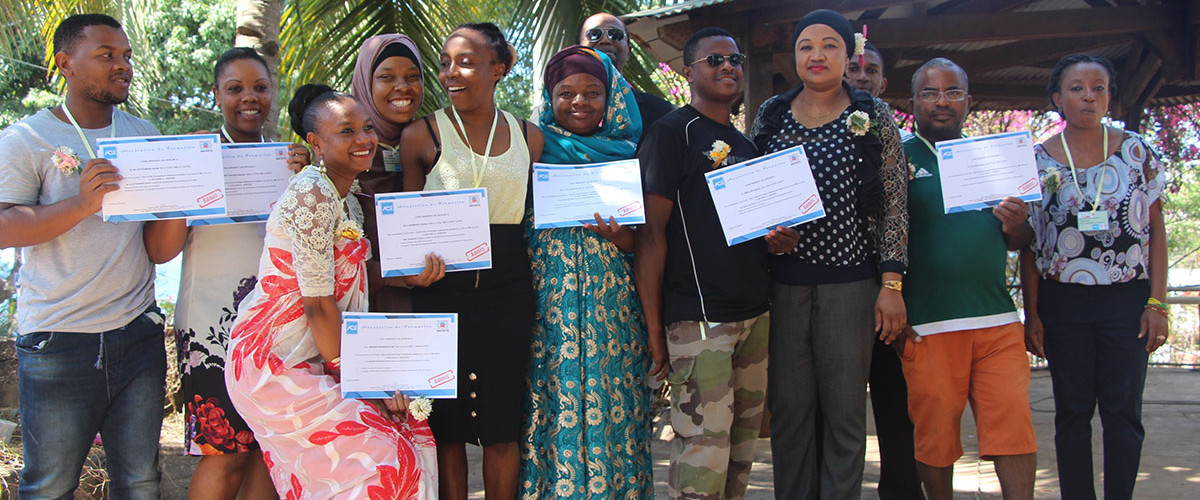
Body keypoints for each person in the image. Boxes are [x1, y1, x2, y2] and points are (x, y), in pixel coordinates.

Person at [224, 83, 445, 499]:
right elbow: (317, 305)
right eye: (346, 131)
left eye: (366, 128)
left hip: (316, 354)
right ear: (315, 142)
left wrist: (408, 276)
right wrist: (360, 381)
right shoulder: (312, 194)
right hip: (276, 363)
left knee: (406, 436)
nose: (363, 139)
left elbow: (349, 279)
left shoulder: (347, 198)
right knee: (381, 459)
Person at [0, 14, 168, 499]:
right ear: (65, 63)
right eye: (106, 55)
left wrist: (187, 198)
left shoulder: (144, 133)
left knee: (140, 481)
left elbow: (159, 249)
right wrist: (80, 204)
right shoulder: (27, 139)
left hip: (137, 333)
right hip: (58, 339)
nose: (123, 66)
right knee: (50, 486)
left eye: (126, 56)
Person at [749, 9, 908, 500]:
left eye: (829, 45)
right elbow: (753, 194)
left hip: (851, 285)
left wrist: (891, 284)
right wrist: (767, 232)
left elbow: (895, 203)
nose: (816, 55)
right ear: (794, 56)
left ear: (848, 55)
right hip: (785, 287)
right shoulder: (771, 114)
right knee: (791, 410)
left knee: (844, 412)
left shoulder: (873, 115)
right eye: (805, 46)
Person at [636, 27, 794, 500]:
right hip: (699, 323)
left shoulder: (745, 146)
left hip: (754, 319)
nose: (728, 66)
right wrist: (654, 330)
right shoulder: (670, 133)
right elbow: (650, 236)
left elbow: (752, 233)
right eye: (714, 59)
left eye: (735, 59)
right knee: (701, 460)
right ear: (688, 72)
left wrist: (780, 239)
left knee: (739, 459)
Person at [147, 47, 308, 500]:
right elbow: (160, 251)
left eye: (260, 87)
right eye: (235, 88)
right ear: (217, 94)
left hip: (279, 325)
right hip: (212, 327)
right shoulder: (193, 155)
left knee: (271, 451)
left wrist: (309, 179)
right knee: (225, 451)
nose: (249, 98)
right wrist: (187, 175)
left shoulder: (291, 163)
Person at [398, 23, 545, 500]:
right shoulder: (421, 133)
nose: (450, 72)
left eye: (465, 61)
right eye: (444, 62)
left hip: (508, 287)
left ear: (498, 69)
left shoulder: (530, 137)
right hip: (444, 288)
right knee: (448, 423)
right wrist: (413, 271)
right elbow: (408, 226)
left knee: (503, 424)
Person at [1021, 53, 1168, 500]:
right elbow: (1029, 245)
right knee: (1072, 412)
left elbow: (1157, 231)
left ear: (1109, 96)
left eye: (1099, 88)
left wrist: (1157, 303)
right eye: (1078, 88)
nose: (1089, 96)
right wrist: (1033, 315)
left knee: (1123, 411)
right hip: (1062, 302)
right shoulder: (1036, 160)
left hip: (1127, 299)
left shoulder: (1137, 151)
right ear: (1057, 98)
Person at [899, 57, 1037, 500]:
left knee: (1014, 429)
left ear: (969, 102)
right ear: (913, 102)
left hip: (996, 319)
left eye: (953, 92)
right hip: (931, 324)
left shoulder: (993, 160)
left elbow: (1020, 240)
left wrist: (1018, 225)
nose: (943, 102)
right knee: (936, 438)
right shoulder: (897, 159)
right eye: (931, 93)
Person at [519, 45, 651, 499]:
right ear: (548, 97)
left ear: (611, 97)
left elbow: (647, 242)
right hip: (547, 308)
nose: (579, 102)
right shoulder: (529, 149)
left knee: (614, 408)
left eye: (593, 92)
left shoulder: (632, 152)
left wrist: (622, 238)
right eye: (566, 92)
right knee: (551, 407)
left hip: (611, 311)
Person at [845, 40, 924, 500]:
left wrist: (894, 283)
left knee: (897, 402)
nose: (861, 76)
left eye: (870, 70)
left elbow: (900, 211)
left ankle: (901, 489)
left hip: (893, 292)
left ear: (883, 83)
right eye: (853, 68)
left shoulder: (896, 137)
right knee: (842, 404)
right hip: (841, 288)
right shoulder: (817, 128)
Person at [350, 33, 426, 314]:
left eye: (412, 76)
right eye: (386, 77)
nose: (402, 87)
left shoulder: (436, 143)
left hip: (430, 307)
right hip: (361, 310)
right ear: (365, 83)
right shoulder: (340, 151)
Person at [579, 12, 675, 140]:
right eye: (594, 35)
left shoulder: (661, 112)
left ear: (629, 52)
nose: (606, 40)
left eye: (616, 35)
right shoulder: (561, 113)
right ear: (578, 51)